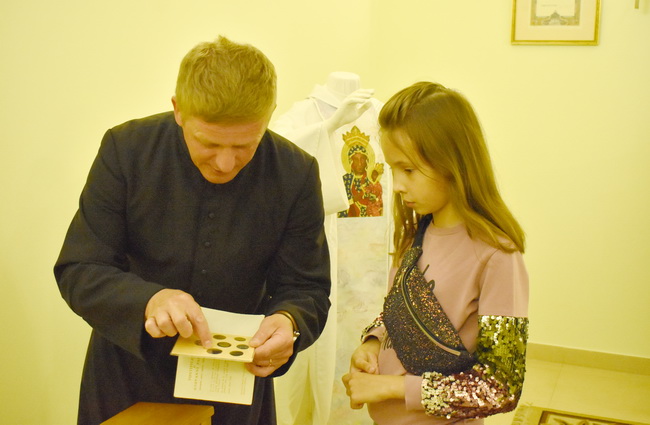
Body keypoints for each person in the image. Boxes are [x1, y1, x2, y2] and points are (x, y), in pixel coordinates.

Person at [54, 35, 331, 425]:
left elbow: (306, 288)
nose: (225, 163)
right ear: (178, 110)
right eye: (209, 142)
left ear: (269, 116)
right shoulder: (126, 150)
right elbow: (80, 268)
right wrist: (150, 300)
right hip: (126, 372)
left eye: (245, 145)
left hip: (235, 382)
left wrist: (290, 322)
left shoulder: (294, 173)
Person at [342, 82, 529, 424]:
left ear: (451, 163)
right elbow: (396, 312)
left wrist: (392, 388)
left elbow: (500, 387)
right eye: (393, 169)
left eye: (408, 170)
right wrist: (373, 342)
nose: (397, 185)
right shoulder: (416, 233)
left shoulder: (498, 255)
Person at [270, 71, 385, 425]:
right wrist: (329, 127)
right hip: (323, 248)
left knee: (369, 332)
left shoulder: (380, 114)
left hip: (374, 250)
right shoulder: (302, 114)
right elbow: (275, 160)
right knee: (321, 349)